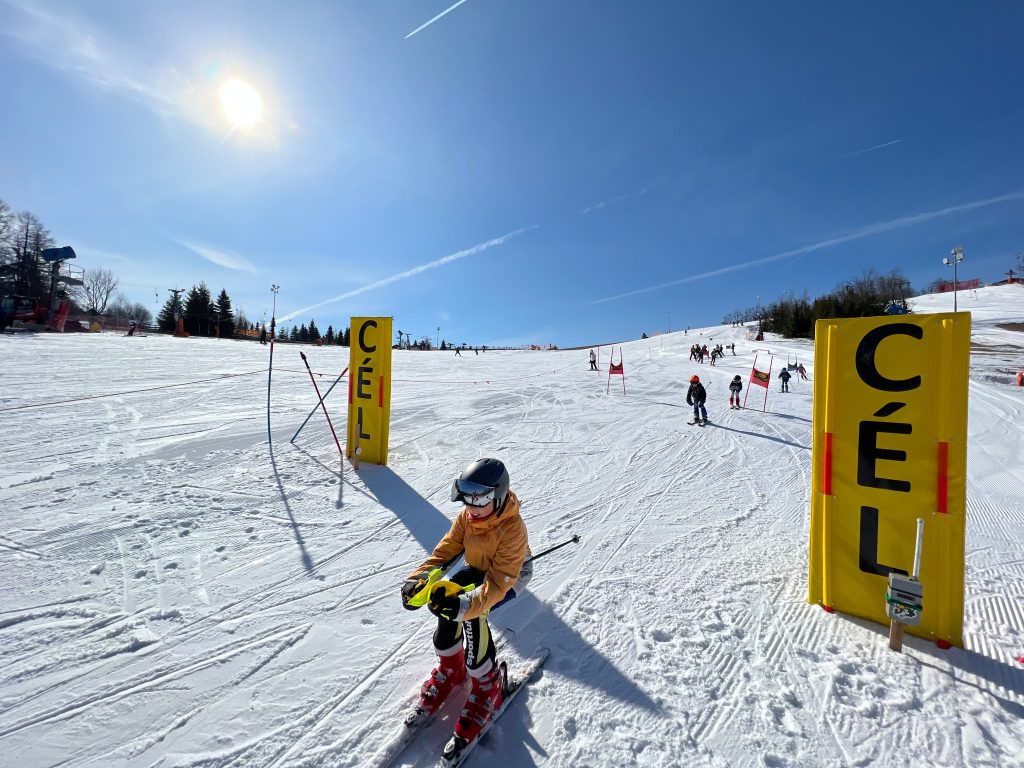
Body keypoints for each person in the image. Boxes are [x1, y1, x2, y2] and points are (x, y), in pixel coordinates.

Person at [400, 458, 531, 745]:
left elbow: (497, 584)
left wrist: (466, 606)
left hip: (508, 576)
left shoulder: (512, 529)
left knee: (472, 613)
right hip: (479, 568)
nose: (471, 504)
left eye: (480, 496)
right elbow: (446, 551)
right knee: (444, 596)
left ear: (497, 496)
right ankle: (452, 667)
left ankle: (488, 685)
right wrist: (420, 580)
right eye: (467, 494)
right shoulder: (468, 518)